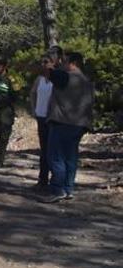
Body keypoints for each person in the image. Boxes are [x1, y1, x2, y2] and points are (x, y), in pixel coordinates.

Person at [40, 52, 95, 203]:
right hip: (80, 124)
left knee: (55, 157)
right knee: (70, 158)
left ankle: (58, 189)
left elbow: (48, 73)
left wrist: (49, 65)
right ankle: (68, 188)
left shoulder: (65, 76)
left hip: (62, 122)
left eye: (64, 61)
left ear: (73, 63)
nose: (63, 64)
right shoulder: (87, 81)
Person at [29, 54, 55, 188]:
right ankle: (42, 179)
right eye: (42, 62)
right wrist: (33, 108)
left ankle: (55, 180)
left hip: (53, 118)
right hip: (41, 116)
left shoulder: (56, 79)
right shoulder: (39, 79)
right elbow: (32, 93)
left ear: (52, 63)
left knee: (53, 149)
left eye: (46, 62)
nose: (43, 65)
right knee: (44, 149)